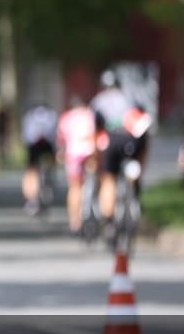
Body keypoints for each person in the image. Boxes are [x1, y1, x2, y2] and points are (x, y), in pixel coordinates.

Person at [90, 70, 152, 228]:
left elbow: (95, 131)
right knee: (138, 157)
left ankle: (109, 223)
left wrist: (96, 158)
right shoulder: (130, 97)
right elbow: (144, 123)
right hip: (132, 138)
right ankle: (136, 188)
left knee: (109, 179)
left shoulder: (98, 101)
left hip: (111, 139)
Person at [56, 96, 96, 233]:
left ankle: (75, 220)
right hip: (89, 151)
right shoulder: (90, 114)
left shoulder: (66, 117)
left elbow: (61, 139)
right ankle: (93, 208)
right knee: (95, 179)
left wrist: (61, 153)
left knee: (74, 186)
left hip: (73, 153)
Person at [21, 102, 58, 215]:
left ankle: (31, 199)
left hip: (33, 145)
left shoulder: (29, 116)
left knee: (31, 171)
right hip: (48, 145)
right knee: (50, 166)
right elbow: (55, 134)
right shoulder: (52, 115)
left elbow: (26, 136)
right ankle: (50, 181)